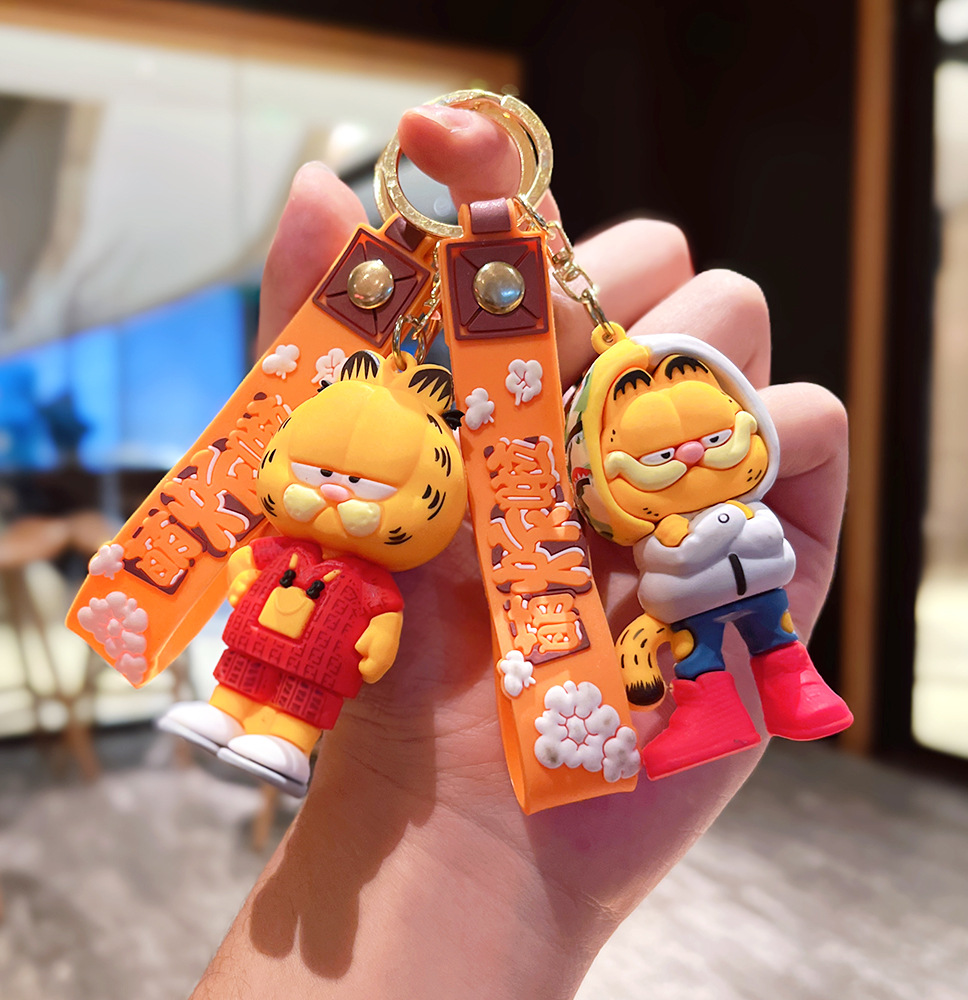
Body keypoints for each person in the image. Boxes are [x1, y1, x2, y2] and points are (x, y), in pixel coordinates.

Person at [189, 103, 848, 999]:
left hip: (663, 607)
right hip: (364, 677)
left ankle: (770, 681)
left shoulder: (652, 499)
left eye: (710, 441)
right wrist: (417, 809)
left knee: (742, 636)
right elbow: (326, 607)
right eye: (659, 454)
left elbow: (372, 624)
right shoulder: (333, 536)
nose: (340, 493)